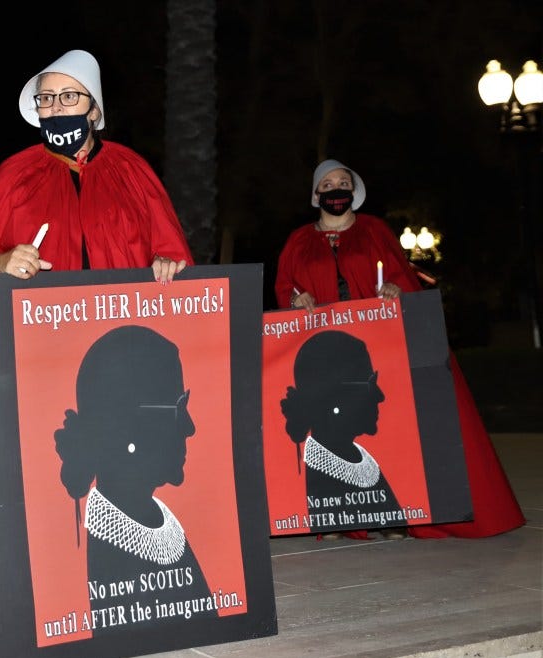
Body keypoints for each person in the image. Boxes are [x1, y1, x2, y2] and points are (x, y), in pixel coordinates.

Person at [0, 49, 194, 658]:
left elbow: (172, 251)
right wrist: (3, 261)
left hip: (121, 370)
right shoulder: (15, 175)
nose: (56, 108)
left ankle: (132, 601)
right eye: (46, 99)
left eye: (68, 96)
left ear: (95, 106)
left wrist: (170, 265)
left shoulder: (134, 172)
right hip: (39, 363)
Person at [274, 158, 525, 540]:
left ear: (354, 190)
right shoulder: (298, 241)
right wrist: (296, 298)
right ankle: (343, 516)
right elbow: (285, 288)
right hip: (327, 354)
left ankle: (398, 515)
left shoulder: (374, 230)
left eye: (343, 181)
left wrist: (393, 288)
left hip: (375, 349)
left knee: (389, 426)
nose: (336, 189)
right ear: (316, 194)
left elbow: (398, 276)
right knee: (336, 431)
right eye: (328, 184)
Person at [54, 326, 215, 631]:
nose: (190, 427)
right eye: (178, 407)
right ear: (127, 424)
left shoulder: (155, 522)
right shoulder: (116, 549)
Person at [281, 330, 408, 534]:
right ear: (334, 399)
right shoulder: (322, 480)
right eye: (368, 384)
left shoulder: (363, 464)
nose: (380, 396)